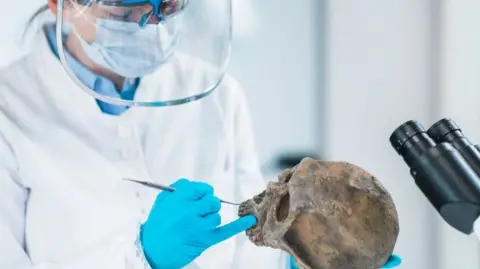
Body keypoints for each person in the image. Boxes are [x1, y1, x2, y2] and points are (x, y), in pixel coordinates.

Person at [0, 0, 401, 268]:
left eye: (166, 6)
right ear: (59, 4)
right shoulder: (9, 109)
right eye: (125, 11)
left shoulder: (216, 93)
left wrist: (297, 256)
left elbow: (247, 246)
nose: (150, 23)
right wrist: (146, 258)